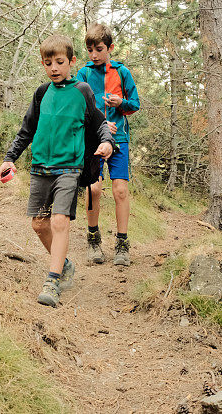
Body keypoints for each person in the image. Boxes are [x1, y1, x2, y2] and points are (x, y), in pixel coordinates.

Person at [0, 34, 114, 307]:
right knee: (39, 225)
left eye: (59, 62)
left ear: (72, 62)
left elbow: (100, 124)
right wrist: (9, 158)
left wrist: (107, 142)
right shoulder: (41, 93)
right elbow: (27, 130)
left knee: (60, 221)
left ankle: (52, 280)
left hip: (69, 168)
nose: (54, 68)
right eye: (48, 63)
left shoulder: (82, 91)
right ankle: (64, 263)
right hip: (40, 167)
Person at [76, 23, 140, 266]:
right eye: (90, 50)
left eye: (99, 49)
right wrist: (99, 124)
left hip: (120, 140)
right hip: (93, 140)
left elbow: (135, 104)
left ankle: (122, 243)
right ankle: (93, 239)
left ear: (110, 48)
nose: (94, 55)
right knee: (93, 189)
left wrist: (120, 103)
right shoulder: (83, 74)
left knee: (120, 191)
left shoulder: (122, 72)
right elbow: (78, 109)